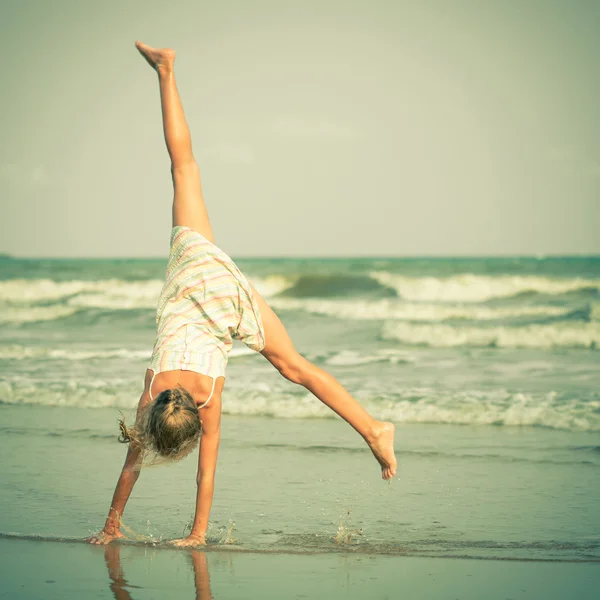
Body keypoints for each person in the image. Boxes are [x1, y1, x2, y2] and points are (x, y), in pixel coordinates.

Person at [87, 41, 397, 548]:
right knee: (183, 168)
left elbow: (197, 473)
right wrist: (116, 526)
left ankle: (373, 431)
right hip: (198, 267)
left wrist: (179, 533)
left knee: (294, 367)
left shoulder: (206, 400)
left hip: (228, 303)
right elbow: (141, 465)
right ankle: (165, 71)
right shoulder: (154, 390)